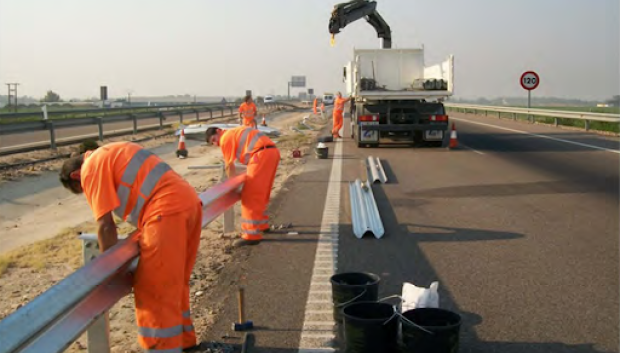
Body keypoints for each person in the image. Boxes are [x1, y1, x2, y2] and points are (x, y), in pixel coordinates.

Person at [58, 141, 205, 353]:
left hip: (165, 212)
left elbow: (106, 226)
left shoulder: (91, 168)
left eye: (82, 189)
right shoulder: (113, 151)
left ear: (75, 175)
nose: (87, 191)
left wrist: (112, 270)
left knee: (153, 290)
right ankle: (185, 342)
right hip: (189, 204)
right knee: (174, 283)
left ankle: (162, 348)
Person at [205, 125, 280, 247]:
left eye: (214, 139)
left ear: (218, 131)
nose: (216, 144)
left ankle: (251, 235)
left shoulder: (225, 138)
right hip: (272, 152)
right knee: (262, 193)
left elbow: (229, 166)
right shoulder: (235, 132)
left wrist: (231, 185)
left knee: (249, 196)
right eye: (212, 143)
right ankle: (261, 224)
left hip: (259, 156)